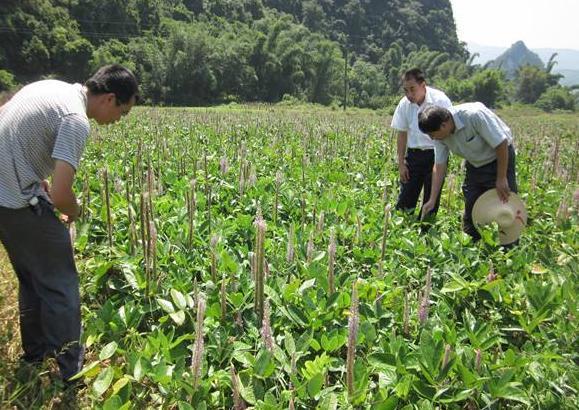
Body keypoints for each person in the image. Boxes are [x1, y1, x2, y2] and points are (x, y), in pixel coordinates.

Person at [0, 64, 139, 383]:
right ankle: (69, 371)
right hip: (17, 201)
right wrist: (75, 212)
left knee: (32, 276)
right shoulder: (76, 120)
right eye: (124, 112)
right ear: (109, 99)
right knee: (61, 281)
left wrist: (27, 174)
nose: (118, 121)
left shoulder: (51, 87)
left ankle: (34, 354)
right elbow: (63, 194)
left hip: (3, 197)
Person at [418, 102, 519, 244]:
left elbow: (501, 143)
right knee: (472, 206)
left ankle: (508, 250)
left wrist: (501, 178)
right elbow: (439, 166)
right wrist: (432, 199)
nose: (432, 138)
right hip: (474, 163)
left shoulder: (473, 115)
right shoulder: (440, 136)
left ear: (444, 125)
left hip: (499, 158)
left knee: (504, 204)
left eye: (432, 134)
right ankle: (471, 248)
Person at [391, 68, 452, 217]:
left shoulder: (440, 100)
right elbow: (402, 133)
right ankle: (401, 232)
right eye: (406, 90)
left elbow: (450, 128)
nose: (409, 95)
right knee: (405, 201)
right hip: (414, 156)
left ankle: (425, 234)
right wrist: (401, 164)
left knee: (431, 201)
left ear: (423, 85)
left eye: (413, 89)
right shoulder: (404, 104)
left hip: (436, 154)